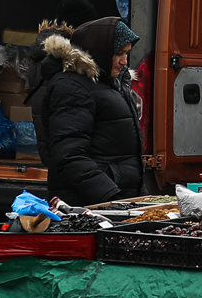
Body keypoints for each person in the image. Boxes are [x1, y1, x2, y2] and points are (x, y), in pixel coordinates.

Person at [31, 16, 145, 204]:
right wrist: (111, 196)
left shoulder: (110, 84)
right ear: (100, 50)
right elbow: (69, 155)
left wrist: (138, 195)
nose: (125, 61)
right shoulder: (71, 87)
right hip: (89, 204)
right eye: (118, 53)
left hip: (115, 200)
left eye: (127, 53)